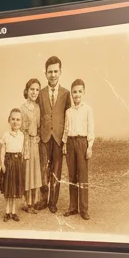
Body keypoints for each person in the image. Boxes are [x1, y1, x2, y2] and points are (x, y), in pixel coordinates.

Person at [36, 56, 72, 213]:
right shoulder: (40, 93)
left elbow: (69, 117)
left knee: (56, 170)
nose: (53, 75)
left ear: (60, 72)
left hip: (58, 138)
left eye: (55, 71)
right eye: (50, 72)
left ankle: (53, 202)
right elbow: (37, 116)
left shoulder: (66, 93)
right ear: (45, 74)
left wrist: (65, 139)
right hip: (43, 137)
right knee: (44, 169)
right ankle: (43, 200)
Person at [62, 79, 95, 220]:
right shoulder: (68, 111)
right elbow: (66, 128)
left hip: (82, 143)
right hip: (70, 143)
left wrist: (89, 146)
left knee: (83, 176)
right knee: (72, 176)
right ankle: (73, 207)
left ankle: (84, 208)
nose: (77, 95)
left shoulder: (88, 109)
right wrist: (64, 144)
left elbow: (90, 129)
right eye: (74, 92)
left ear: (84, 92)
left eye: (79, 91)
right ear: (71, 93)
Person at [19, 78, 43, 214]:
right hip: (26, 143)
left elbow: (38, 126)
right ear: (27, 90)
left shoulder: (38, 108)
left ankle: (33, 202)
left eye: (37, 90)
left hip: (35, 144)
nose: (34, 92)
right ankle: (26, 202)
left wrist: (37, 136)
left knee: (35, 172)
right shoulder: (22, 108)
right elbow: (21, 129)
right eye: (32, 89)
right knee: (27, 172)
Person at [0, 108, 27, 222]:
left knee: (15, 189)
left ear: (21, 122)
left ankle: (14, 212)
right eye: (13, 119)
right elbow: (3, 151)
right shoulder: (6, 135)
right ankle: (7, 212)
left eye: (18, 120)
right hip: (9, 163)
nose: (15, 122)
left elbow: (23, 150)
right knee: (8, 189)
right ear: (9, 120)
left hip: (17, 164)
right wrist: (2, 164)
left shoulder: (22, 135)